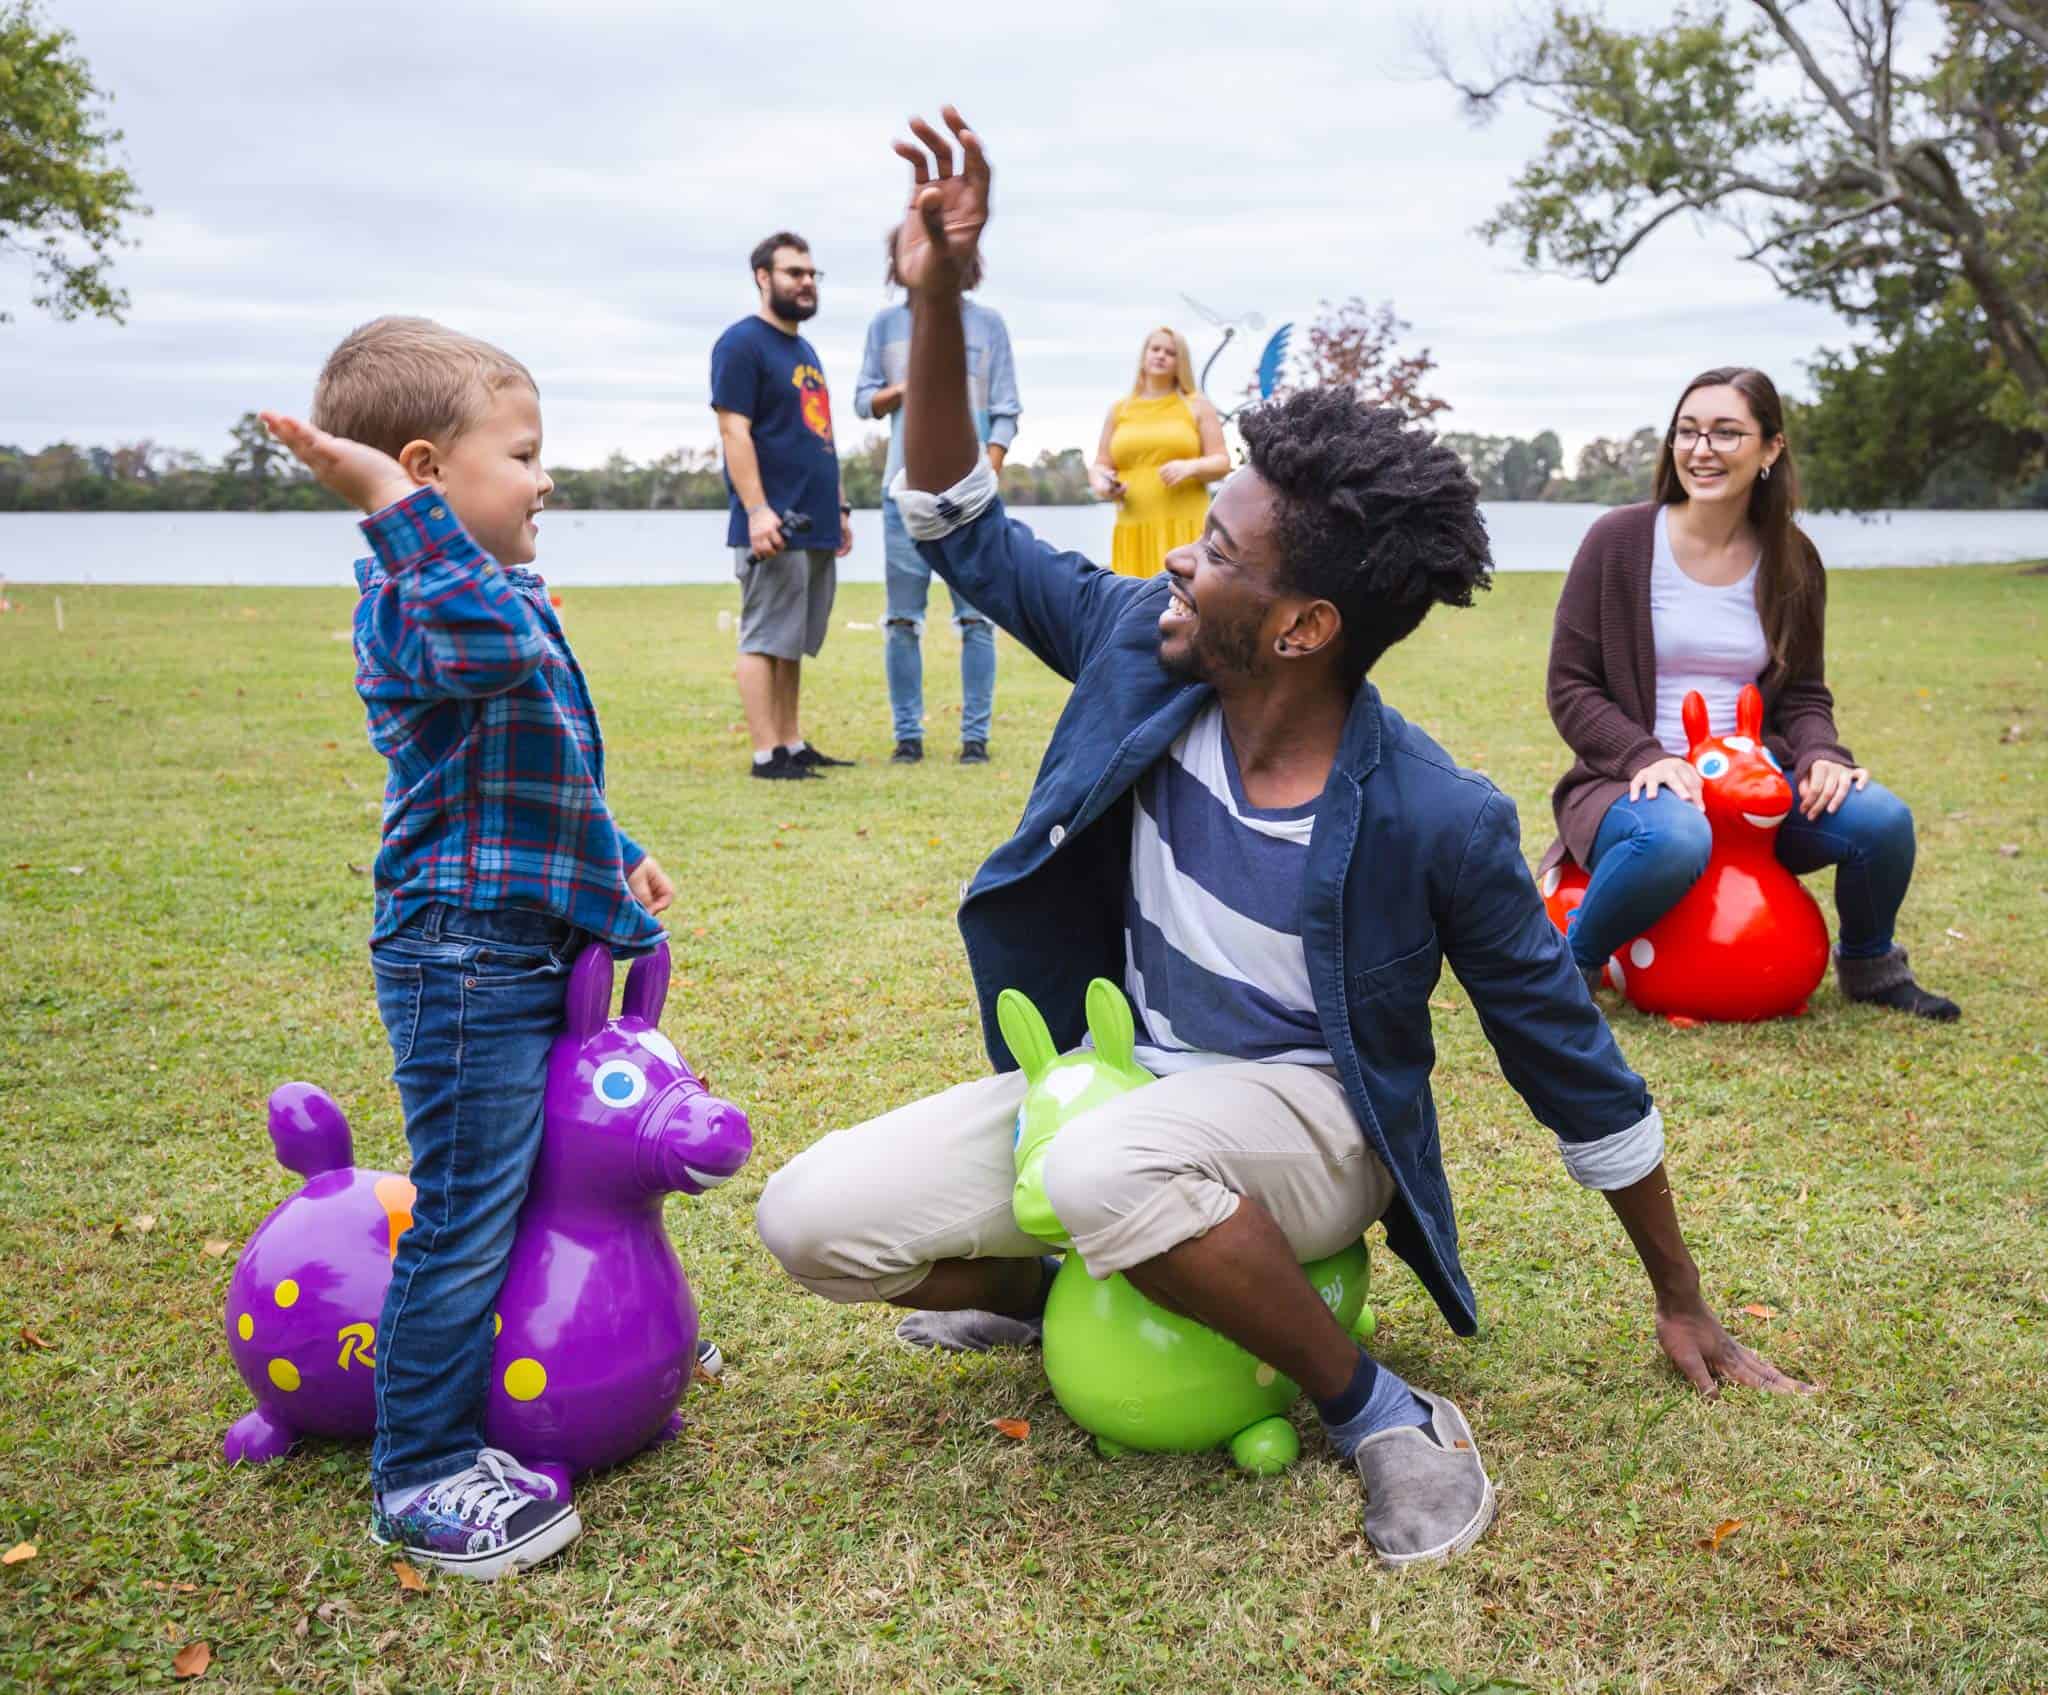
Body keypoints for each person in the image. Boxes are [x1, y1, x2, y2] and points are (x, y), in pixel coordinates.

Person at [756, 110, 1810, 1570]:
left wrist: (1681, 1295)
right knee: (812, 1219)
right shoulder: (1145, 641)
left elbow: (1565, 1051)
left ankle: (1381, 1408)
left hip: (1308, 1124)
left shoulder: (1431, 810)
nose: (1181, 552)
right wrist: (938, 298)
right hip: (1119, 1086)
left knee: (1107, 1169)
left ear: (1306, 625)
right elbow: (954, 519)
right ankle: (1042, 1282)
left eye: (1223, 548)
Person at [259, 315, 677, 1578]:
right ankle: (421, 1467)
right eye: (527, 452)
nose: (548, 477)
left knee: (545, 1172)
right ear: (430, 471)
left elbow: (537, 755)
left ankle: (592, 1337)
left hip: (527, 935)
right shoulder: (415, 601)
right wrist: (391, 508)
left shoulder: (485, 587)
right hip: (459, 960)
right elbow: (492, 664)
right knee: (465, 1215)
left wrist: (610, 851)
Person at [1542, 366, 1959, 1021]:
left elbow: (1804, 692)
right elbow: (1569, 685)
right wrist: (1646, 757)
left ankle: (1871, 966)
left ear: (1770, 449)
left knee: (1882, 822)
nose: (1702, 449)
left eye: (1727, 433)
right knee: (1675, 838)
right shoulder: (1617, 541)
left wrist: (1823, 754)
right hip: (1634, 784)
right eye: (1688, 431)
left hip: (1755, 785)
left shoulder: (1793, 558)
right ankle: (1568, 971)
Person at [854, 231, 1021, 764]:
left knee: (977, 619)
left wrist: (984, 478)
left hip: (969, 500)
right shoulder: (884, 326)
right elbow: (864, 400)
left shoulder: (989, 324)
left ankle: (976, 739)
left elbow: (1006, 409)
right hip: (900, 496)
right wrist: (912, 385)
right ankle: (908, 738)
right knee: (902, 620)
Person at [711, 231, 857, 781]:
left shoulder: (804, 350)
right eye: (795, 272)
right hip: (773, 519)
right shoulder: (741, 344)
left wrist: (840, 509)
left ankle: (791, 742)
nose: (806, 282)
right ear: (762, 277)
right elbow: (733, 430)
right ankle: (765, 753)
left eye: (812, 274)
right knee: (764, 636)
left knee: (792, 640)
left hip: (815, 519)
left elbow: (823, 433)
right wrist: (756, 511)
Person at [1089, 327, 1230, 578]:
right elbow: (1100, 464)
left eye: (1170, 352)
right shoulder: (1120, 410)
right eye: (1155, 349)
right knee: (1134, 603)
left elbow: (1222, 462)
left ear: (1180, 362)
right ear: (1144, 356)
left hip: (1185, 525)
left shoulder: (1196, 405)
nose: (1161, 356)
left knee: (1186, 605)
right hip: (1133, 526)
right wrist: (1103, 485)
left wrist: (1191, 467)